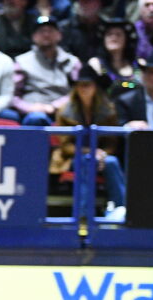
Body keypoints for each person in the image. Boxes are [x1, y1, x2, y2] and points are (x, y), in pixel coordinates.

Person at [52, 64, 126, 219]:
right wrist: (91, 152)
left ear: (95, 87)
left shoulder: (108, 110)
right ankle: (83, 216)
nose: (83, 89)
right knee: (86, 161)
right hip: (72, 157)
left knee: (112, 162)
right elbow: (66, 146)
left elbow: (112, 142)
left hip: (101, 157)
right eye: (80, 85)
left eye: (87, 85)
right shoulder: (64, 111)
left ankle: (122, 208)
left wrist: (103, 154)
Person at [13, 15, 80, 125]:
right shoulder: (22, 62)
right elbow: (12, 96)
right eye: (41, 31)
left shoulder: (72, 62)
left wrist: (55, 106)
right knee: (36, 119)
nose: (46, 34)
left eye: (50, 31)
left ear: (59, 35)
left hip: (65, 111)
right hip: (33, 112)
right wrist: (29, 108)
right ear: (34, 37)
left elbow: (78, 91)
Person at [89, 19, 139, 96]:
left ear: (126, 39)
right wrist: (128, 84)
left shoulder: (138, 64)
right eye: (109, 34)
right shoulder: (96, 64)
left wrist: (126, 84)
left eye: (118, 34)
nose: (113, 37)